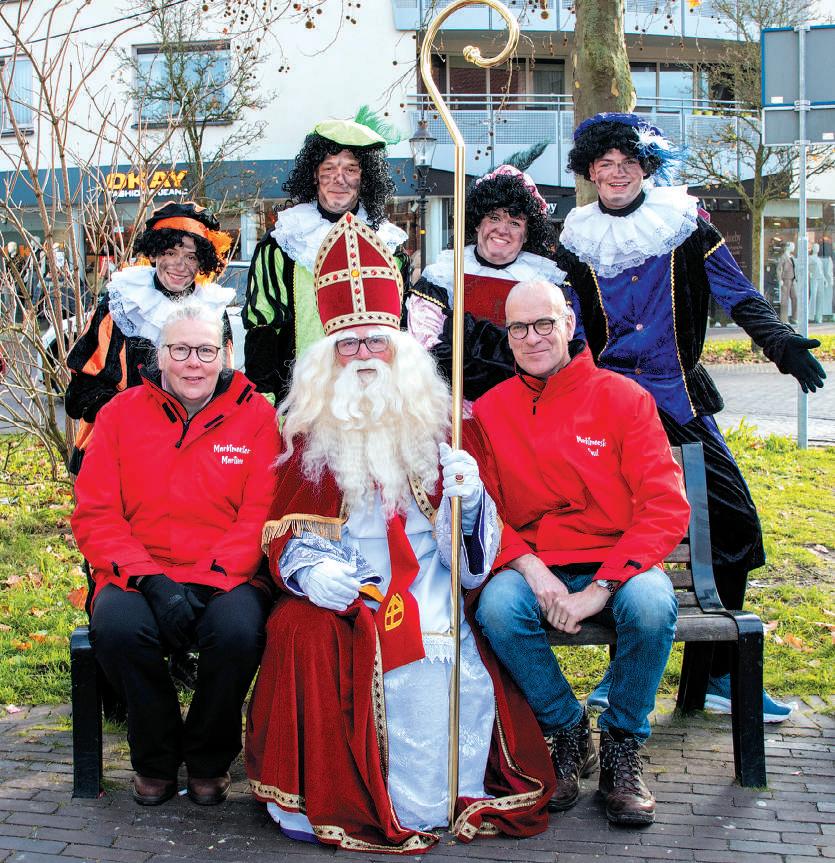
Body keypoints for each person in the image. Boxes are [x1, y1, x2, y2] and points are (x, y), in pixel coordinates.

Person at [245, 213, 554, 853]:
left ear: (402, 349)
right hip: (349, 578)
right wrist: (311, 570)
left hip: (432, 576)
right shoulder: (306, 430)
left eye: (375, 342)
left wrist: (468, 502)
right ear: (327, 357)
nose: (363, 357)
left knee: (444, 652)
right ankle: (332, 795)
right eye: (348, 346)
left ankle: (435, 797)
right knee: (300, 629)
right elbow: (286, 525)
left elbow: (477, 556)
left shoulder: (447, 423)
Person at [555, 112, 826, 722]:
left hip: (678, 401)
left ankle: (718, 675)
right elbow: (568, 328)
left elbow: (737, 291)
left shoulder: (684, 223)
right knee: (617, 532)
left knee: (734, 523)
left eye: (628, 163)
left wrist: (780, 341)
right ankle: (621, 675)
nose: (616, 173)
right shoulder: (573, 239)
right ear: (590, 171)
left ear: (645, 167)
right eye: (605, 164)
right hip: (608, 408)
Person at [472, 278, 690, 826]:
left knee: (651, 607)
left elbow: (664, 506)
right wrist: (530, 567)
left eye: (544, 323)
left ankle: (622, 743)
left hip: (618, 560)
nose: (532, 337)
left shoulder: (624, 398)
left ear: (569, 323)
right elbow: (485, 508)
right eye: (518, 328)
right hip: (535, 561)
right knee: (497, 607)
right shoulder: (491, 411)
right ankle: (565, 726)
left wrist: (602, 587)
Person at [71, 301, 279, 807]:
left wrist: (211, 579)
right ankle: (156, 756)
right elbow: (96, 513)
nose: (193, 363)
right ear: (159, 356)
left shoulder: (257, 415)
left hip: (227, 574)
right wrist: (150, 581)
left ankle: (209, 757)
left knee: (237, 633)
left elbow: (260, 514)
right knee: (118, 630)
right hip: (138, 573)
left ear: (225, 354)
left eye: (205, 351)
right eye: (180, 350)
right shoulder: (119, 414)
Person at [242, 114, 410, 403]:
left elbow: (400, 331)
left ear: (365, 178)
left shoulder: (389, 246)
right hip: (301, 402)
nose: (339, 179)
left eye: (351, 169)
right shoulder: (281, 244)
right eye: (329, 168)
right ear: (314, 175)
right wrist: (265, 403)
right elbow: (263, 331)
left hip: (372, 400)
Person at [65, 201, 235, 474]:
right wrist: (131, 420)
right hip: (121, 449)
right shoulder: (123, 303)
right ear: (155, 254)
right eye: (171, 252)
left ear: (201, 263)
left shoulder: (213, 309)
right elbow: (84, 387)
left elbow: (222, 384)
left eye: (191, 257)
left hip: (190, 452)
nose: (180, 265)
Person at [407, 163, 567, 403]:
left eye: (515, 223)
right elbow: (425, 346)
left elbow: (555, 352)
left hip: (525, 407)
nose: (502, 230)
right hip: (453, 408)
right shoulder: (443, 275)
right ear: (477, 222)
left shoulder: (548, 283)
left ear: (526, 234)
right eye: (494, 217)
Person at [777, 241, 797, 323]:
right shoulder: (783, 257)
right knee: (785, 299)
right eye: (793, 246)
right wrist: (780, 279)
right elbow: (779, 269)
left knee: (795, 297)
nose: (794, 247)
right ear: (788, 247)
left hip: (792, 279)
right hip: (786, 279)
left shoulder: (792, 257)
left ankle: (794, 318)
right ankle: (784, 319)